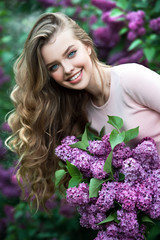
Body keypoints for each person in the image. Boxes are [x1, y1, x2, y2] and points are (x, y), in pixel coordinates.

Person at [6, 12, 160, 210]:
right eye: (54, 66)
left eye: (71, 53)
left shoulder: (130, 79)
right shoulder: (84, 113)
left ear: (87, 46)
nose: (68, 68)